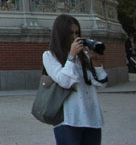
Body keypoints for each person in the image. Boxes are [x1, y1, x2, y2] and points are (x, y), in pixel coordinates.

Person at [42, 14, 108, 144]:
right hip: (68, 119)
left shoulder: (84, 55)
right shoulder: (50, 55)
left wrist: (95, 60)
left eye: (77, 33)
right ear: (61, 34)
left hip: (91, 118)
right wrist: (71, 56)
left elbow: (101, 84)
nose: (74, 37)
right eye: (70, 33)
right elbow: (64, 81)